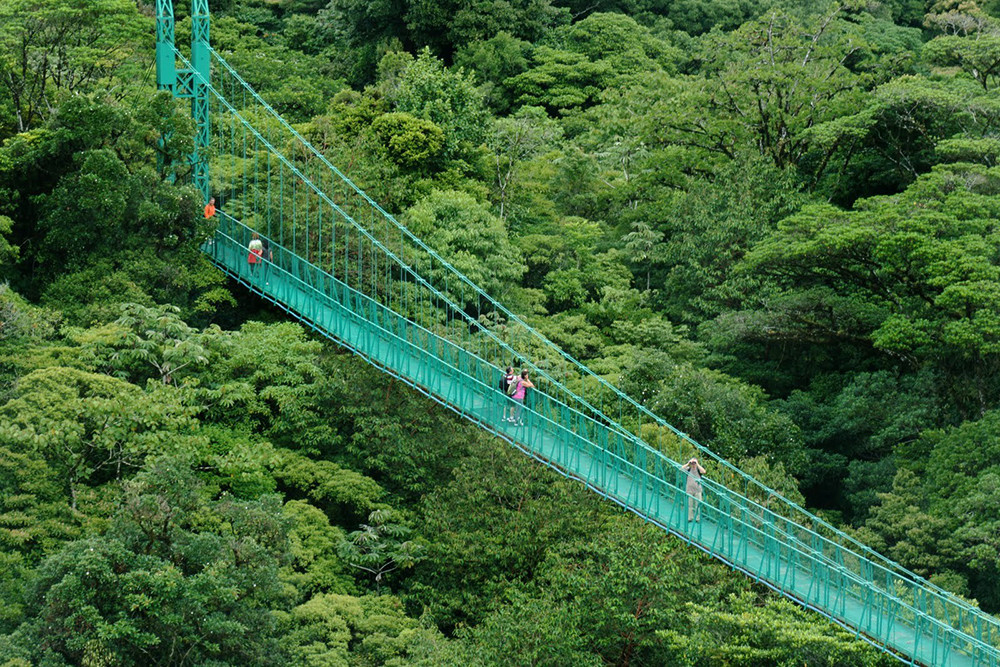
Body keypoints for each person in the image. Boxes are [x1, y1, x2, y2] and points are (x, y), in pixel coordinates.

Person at [682, 457, 706, 522]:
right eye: (692, 463)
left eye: (694, 463)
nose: (693, 464)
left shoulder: (698, 470)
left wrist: (697, 464)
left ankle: (697, 518)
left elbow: (704, 471)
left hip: (697, 490)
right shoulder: (688, 469)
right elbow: (681, 469)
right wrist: (688, 463)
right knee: (690, 505)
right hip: (689, 490)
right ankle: (690, 517)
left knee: (697, 505)